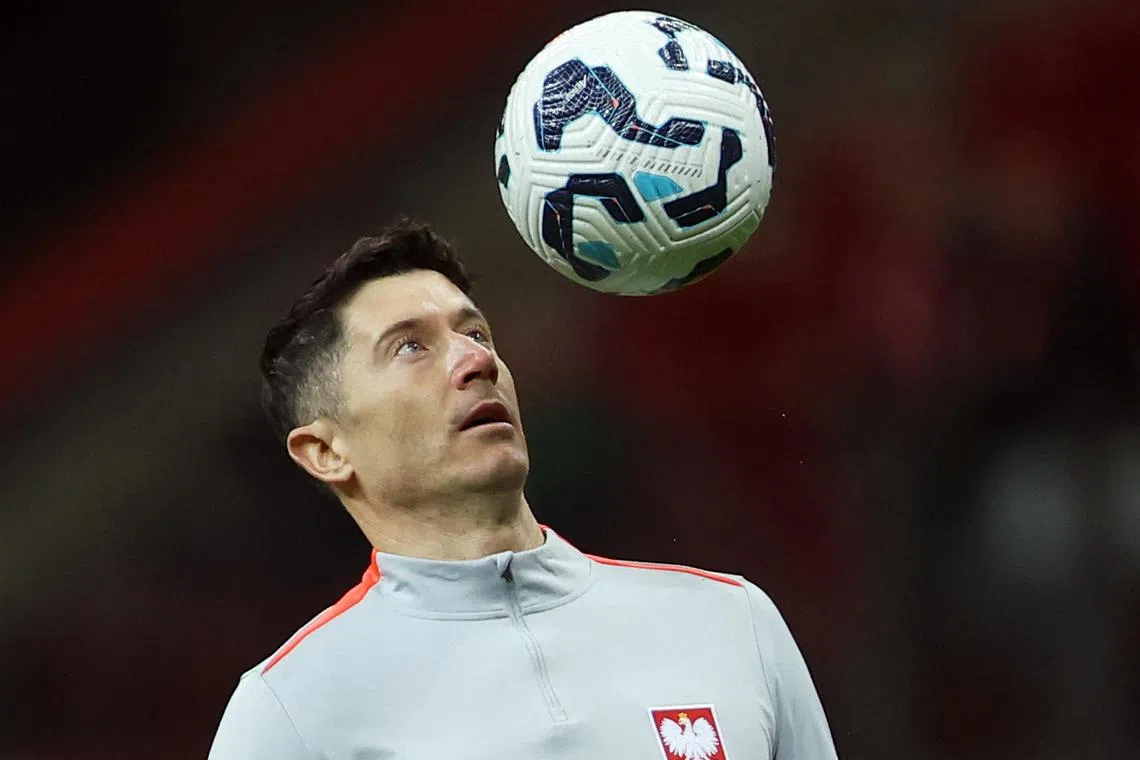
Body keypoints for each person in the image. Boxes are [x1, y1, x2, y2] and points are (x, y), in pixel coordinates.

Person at [208, 219, 838, 759]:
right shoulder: (291, 712)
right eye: (410, 348)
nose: (474, 360)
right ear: (326, 450)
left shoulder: (730, 624)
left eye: (476, 333)